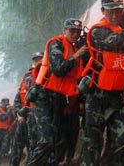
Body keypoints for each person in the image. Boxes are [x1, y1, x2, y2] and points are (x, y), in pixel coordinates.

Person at [80, 0, 124, 166]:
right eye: (110, 11)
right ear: (103, 11)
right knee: (92, 142)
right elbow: (123, 43)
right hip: (98, 95)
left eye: (118, 11)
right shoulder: (98, 31)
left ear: (123, 11)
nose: (114, 15)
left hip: (119, 96)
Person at [28, 18, 88, 166]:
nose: (74, 34)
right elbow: (59, 69)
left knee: (58, 140)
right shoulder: (57, 44)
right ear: (64, 31)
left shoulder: (74, 48)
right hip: (44, 95)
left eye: (77, 31)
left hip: (59, 97)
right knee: (47, 139)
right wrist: (77, 56)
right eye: (71, 30)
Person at [9, 51, 43, 166]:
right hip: (22, 117)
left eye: (40, 58)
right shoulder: (27, 75)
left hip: (36, 117)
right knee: (16, 147)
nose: (38, 61)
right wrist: (18, 114)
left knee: (33, 146)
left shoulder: (45, 75)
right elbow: (18, 99)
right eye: (36, 59)